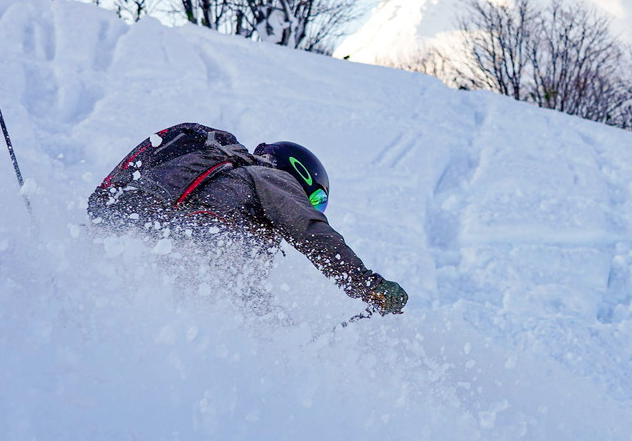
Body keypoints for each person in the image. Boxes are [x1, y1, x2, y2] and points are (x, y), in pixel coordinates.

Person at [88, 122, 408, 315]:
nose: (311, 206)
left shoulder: (227, 174)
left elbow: (244, 288)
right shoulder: (272, 177)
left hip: (141, 231)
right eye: (314, 199)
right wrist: (368, 285)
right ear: (298, 174)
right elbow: (311, 231)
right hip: (197, 242)